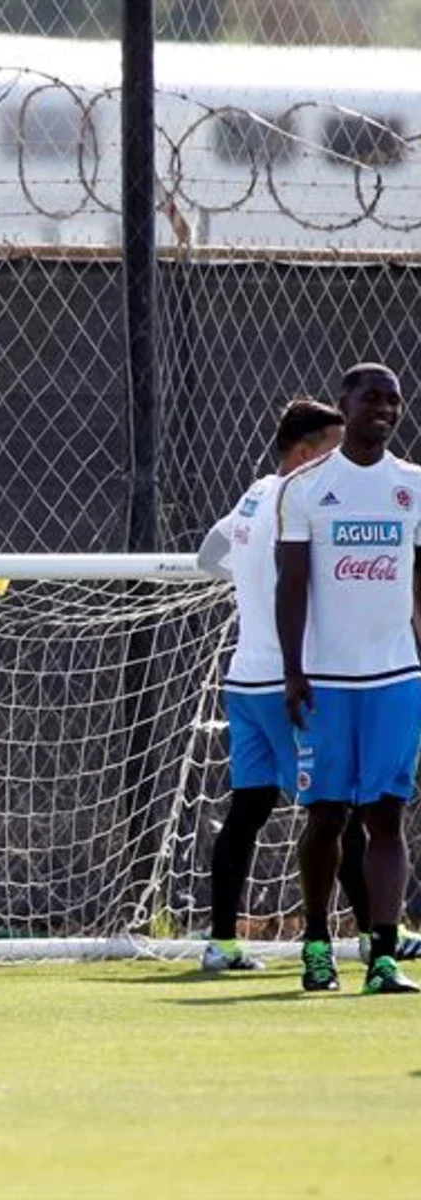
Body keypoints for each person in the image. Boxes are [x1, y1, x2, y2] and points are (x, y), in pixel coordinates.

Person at [277, 362, 421, 995]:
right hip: (327, 681)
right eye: (372, 399)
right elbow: (293, 583)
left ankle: (383, 956)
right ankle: (316, 943)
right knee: (327, 815)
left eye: (394, 400)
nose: (384, 409)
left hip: (394, 677)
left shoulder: (413, 486)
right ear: (347, 404)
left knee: (387, 815)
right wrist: (292, 670)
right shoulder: (307, 488)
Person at [196, 398, 344, 971]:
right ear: (306, 453)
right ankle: (385, 935)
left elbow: (208, 557)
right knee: (335, 808)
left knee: (249, 809)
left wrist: (252, 580)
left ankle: (223, 942)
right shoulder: (301, 503)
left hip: (244, 680)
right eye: (333, 448)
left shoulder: (253, 494)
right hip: (290, 681)